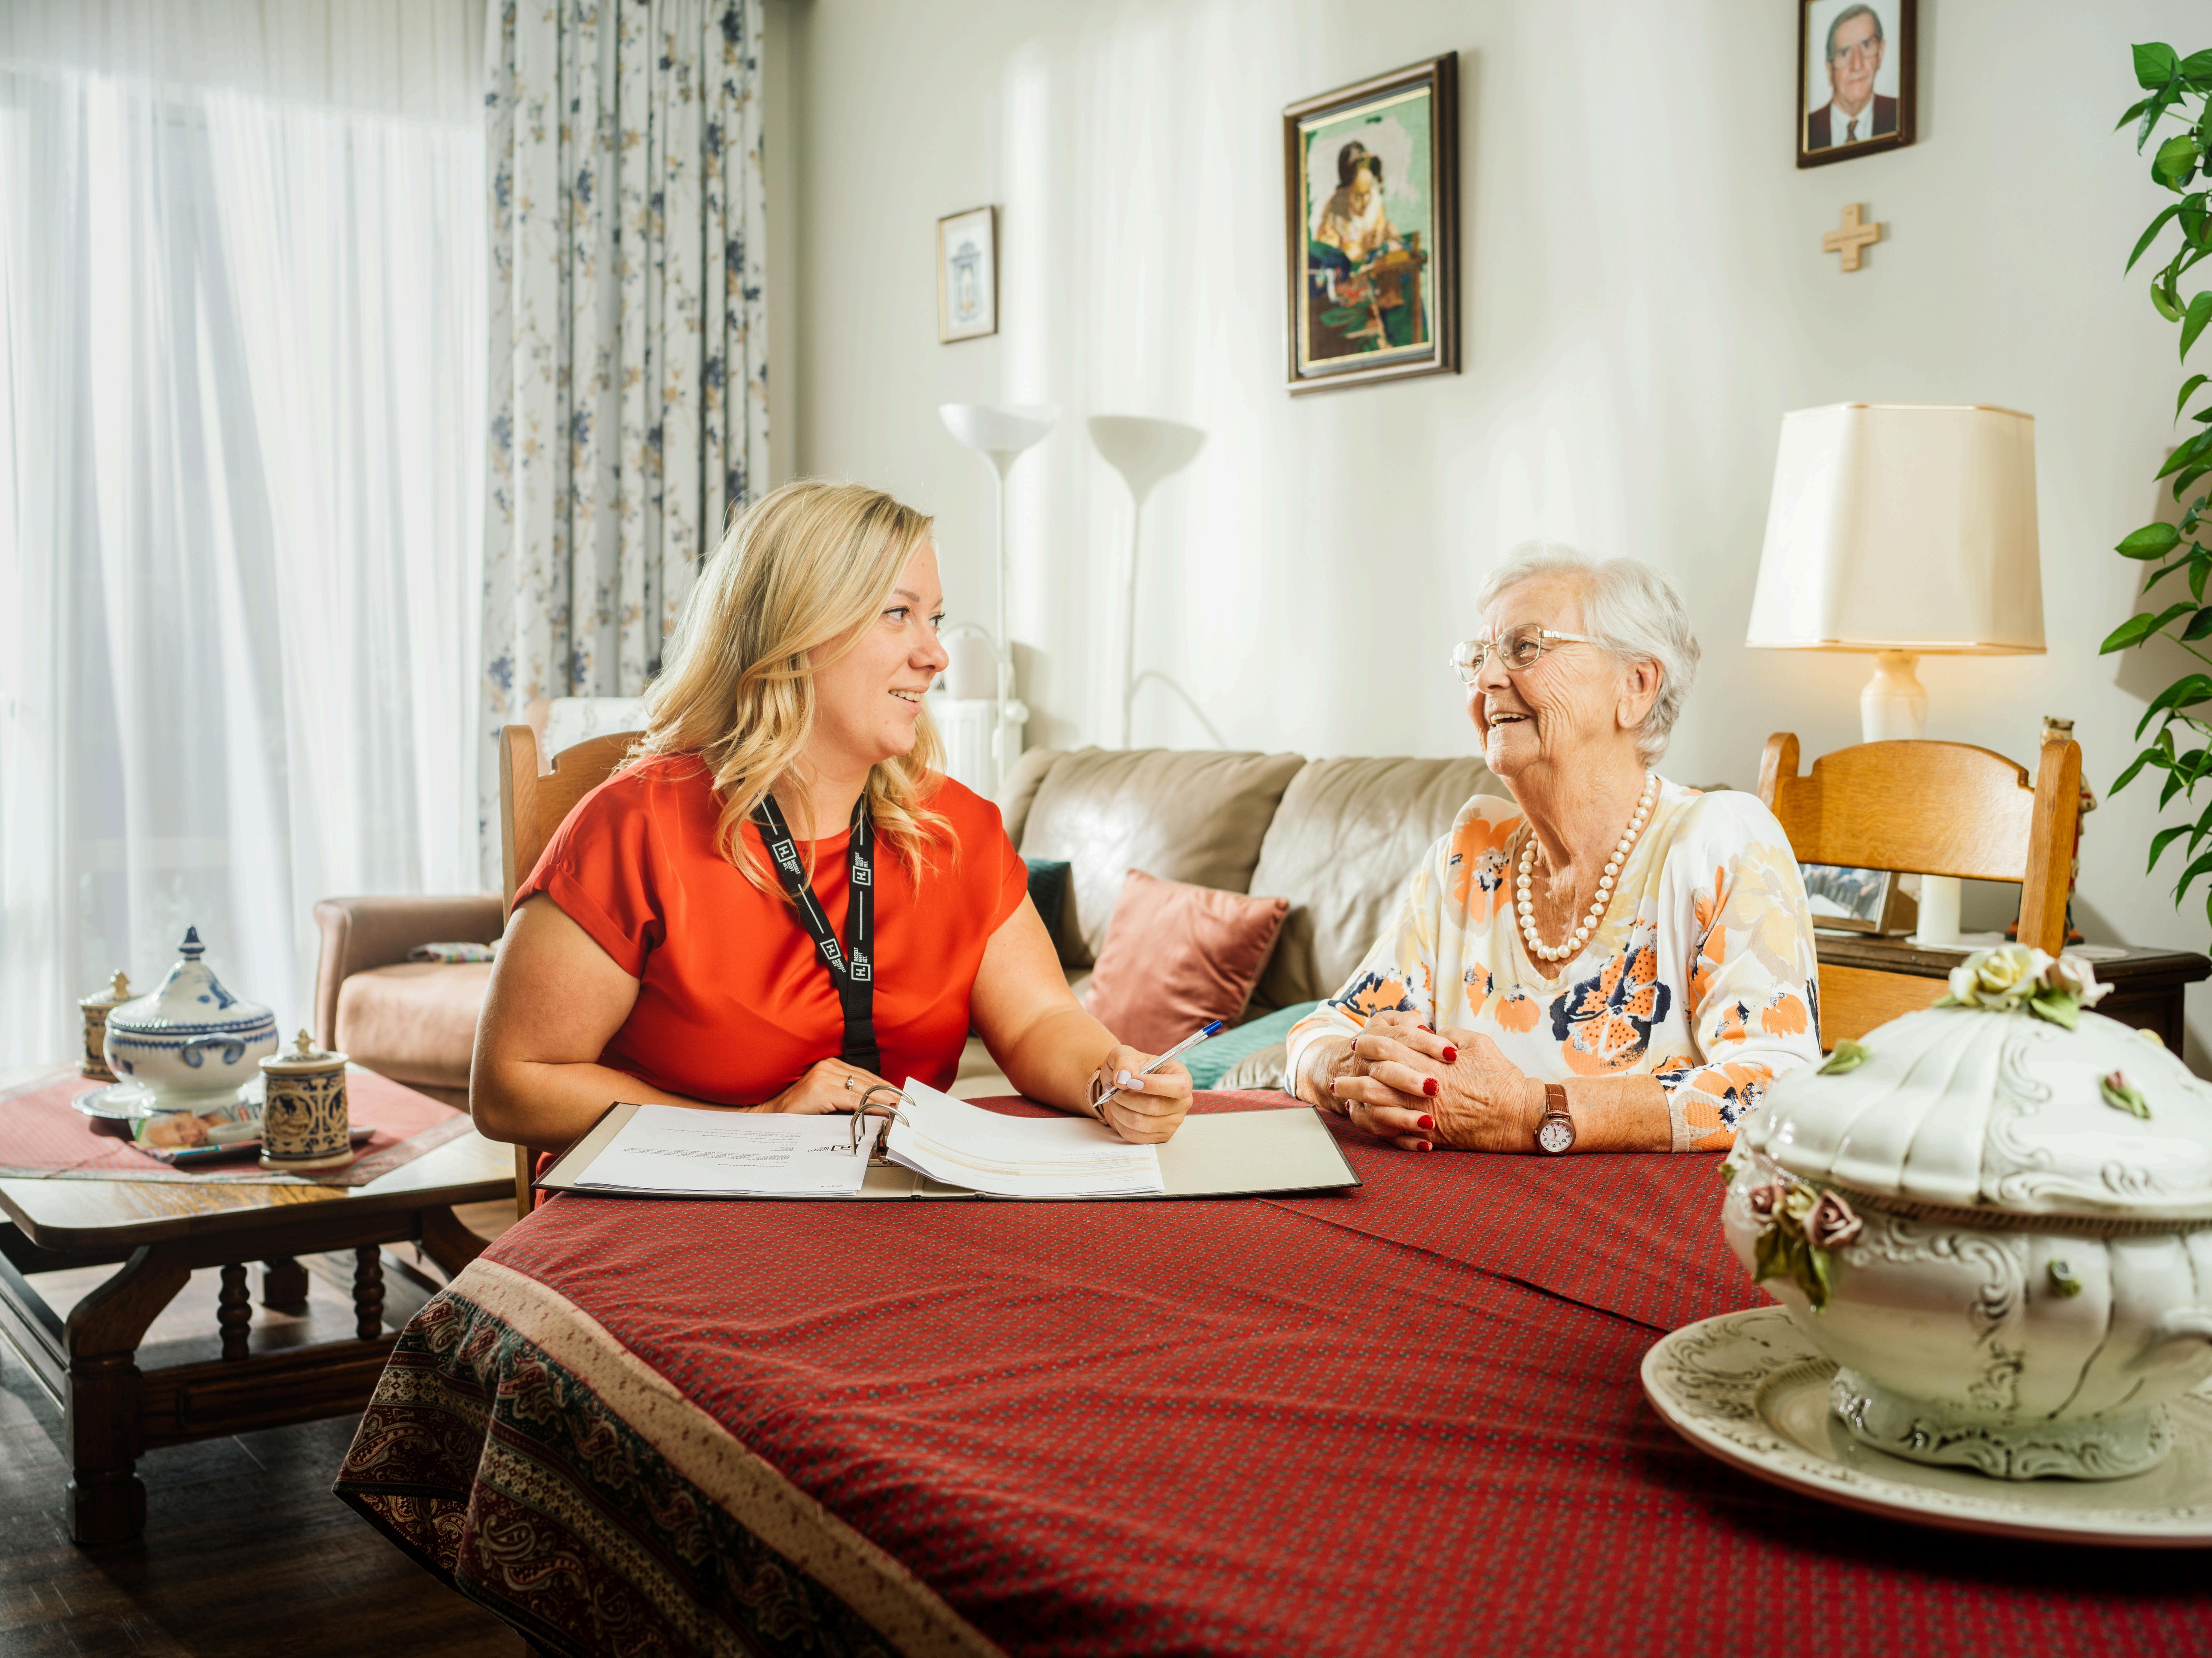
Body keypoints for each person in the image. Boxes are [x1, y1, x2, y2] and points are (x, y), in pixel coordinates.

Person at [471, 481, 1193, 1155]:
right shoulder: (635, 827)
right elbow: (512, 1083)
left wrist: (1109, 1080)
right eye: (898, 614)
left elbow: (1040, 1021)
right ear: (796, 630)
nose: (935, 655)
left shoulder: (956, 829)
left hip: (882, 1208)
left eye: (934, 619)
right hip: (672, 1210)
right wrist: (754, 1130)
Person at [1286, 544, 1822, 1155]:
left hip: (1638, 1210)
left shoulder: (1720, 842)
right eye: (1478, 657)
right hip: (1467, 1200)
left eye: (1524, 647)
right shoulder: (1471, 859)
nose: (1487, 679)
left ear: (1636, 686)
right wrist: (1352, 1070)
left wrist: (1529, 1112)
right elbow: (1322, 1031)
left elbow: (1780, 1088)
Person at [1806, 4, 1897, 151]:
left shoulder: (1899, 115)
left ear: (1880, 53)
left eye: (1867, 46)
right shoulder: (1808, 129)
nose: (1857, 65)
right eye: (1844, 53)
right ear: (1829, 69)